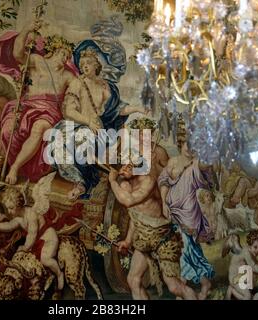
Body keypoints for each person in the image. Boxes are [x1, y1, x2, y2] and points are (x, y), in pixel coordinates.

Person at [52, 48, 146, 200]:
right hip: (77, 126)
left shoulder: (103, 87)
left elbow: (117, 109)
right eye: (82, 65)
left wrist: (138, 109)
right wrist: (88, 121)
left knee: (111, 144)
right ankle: (80, 182)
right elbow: (69, 111)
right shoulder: (77, 84)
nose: (85, 66)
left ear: (97, 65)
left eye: (88, 63)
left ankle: (109, 173)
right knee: (80, 141)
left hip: (99, 130)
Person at [0, 21, 78, 184]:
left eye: (68, 56)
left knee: (39, 128)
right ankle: (12, 163)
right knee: (8, 131)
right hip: (26, 105)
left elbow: (80, 89)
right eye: (64, 54)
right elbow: (17, 54)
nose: (66, 59)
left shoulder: (67, 75)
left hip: (49, 110)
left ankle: (15, 167)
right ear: (54, 50)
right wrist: (26, 29)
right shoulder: (37, 60)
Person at [109, 162, 197, 300]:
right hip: (145, 239)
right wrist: (127, 241)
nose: (125, 169)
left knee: (174, 286)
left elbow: (128, 201)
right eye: (124, 166)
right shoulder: (126, 186)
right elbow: (136, 216)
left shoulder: (148, 181)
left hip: (163, 238)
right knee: (133, 280)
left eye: (130, 166)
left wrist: (112, 181)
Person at [158, 128, 215, 300]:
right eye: (187, 144)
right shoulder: (173, 162)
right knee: (189, 250)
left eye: (194, 145)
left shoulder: (197, 164)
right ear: (181, 144)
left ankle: (183, 286)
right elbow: (163, 182)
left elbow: (208, 173)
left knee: (185, 247)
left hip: (190, 213)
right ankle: (204, 283)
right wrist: (163, 203)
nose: (189, 148)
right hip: (173, 211)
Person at [0, 184, 65, 290]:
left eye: (11, 208)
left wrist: (25, 248)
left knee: (45, 259)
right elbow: (7, 226)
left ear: (18, 205)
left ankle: (59, 274)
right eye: (8, 208)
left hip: (47, 238)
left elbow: (32, 234)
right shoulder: (18, 218)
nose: (9, 212)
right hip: (35, 243)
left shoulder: (31, 214)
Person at [223, 231, 258, 300]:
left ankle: (232, 290)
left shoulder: (250, 253)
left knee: (249, 296)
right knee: (247, 296)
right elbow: (254, 267)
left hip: (242, 276)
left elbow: (257, 266)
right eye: (255, 247)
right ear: (249, 245)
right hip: (235, 278)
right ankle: (232, 290)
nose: (257, 251)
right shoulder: (246, 252)